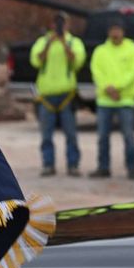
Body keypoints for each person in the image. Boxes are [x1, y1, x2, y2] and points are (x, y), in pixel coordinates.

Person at [29, 11, 86, 176]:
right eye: (56, 23)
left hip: (66, 95)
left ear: (67, 25)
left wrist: (63, 43)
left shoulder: (73, 42)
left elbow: (77, 62)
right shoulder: (43, 41)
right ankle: (48, 164)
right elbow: (36, 61)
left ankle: (73, 164)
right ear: (51, 25)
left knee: (71, 134)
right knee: (46, 134)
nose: (58, 26)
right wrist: (49, 44)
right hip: (46, 96)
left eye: (62, 23)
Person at [89, 18, 134, 180]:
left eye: (117, 29)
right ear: (108, 32)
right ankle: (103, 167)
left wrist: (117, 87)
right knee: (103, 137)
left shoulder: (133, 49)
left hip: (125, 100)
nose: (115, 33)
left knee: (128, 136)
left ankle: (132, 168)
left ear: (123, 31)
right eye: (112, 29)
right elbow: (96, 71)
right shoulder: (100, 51)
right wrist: (108, 88)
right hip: (105, 100)